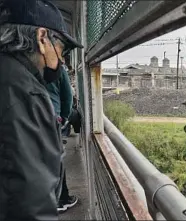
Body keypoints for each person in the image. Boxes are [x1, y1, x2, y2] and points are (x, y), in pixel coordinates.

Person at [0, 0, 83, 220]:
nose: (62, 59)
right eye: (61, 49)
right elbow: (31, 201)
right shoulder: (26, 94)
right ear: (42, 37)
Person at [46, 64, 78, 212]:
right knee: (55, 159)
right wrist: (63, 118)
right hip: (51, 120)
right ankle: (61, 200)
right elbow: (67, 96)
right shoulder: (55, 66)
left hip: (20, 119)